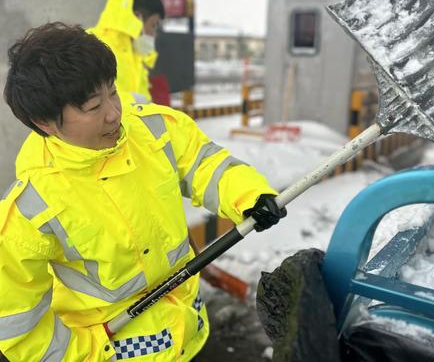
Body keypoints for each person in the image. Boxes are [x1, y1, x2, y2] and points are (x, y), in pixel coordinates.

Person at [0, 22, 286, 361]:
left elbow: (204, 165)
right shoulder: (32, 207)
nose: (114, 112)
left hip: (190, 332)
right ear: (46, 123)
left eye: (112, 90)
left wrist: (249, 195)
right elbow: (16, 326)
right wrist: (82, 354)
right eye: (94, 106)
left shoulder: (152, 129)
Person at [89, 0, 165, 103]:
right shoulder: (94, 47)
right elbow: (89, 99)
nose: (154, 34)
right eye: (153, 25)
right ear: (137, 18)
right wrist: (132, 101)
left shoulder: (135, 56)